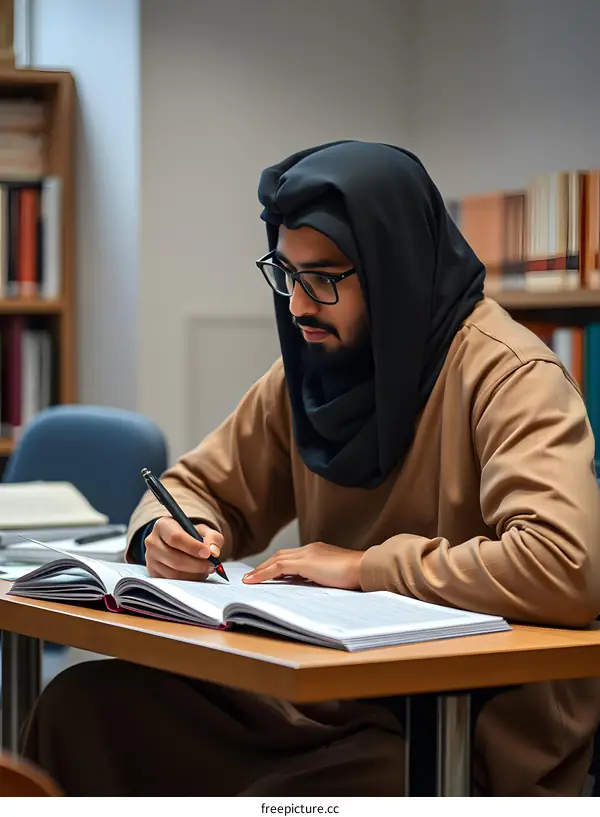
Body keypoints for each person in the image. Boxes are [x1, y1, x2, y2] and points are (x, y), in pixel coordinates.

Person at [22, 141, 600, 796]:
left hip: (460, 728)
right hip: (328, 700)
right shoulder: (308, 373)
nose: (297, 306)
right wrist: (171, 534)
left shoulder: (509, 373)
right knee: (85, 707)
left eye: (323, 278)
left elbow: (565, 563)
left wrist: (364, 567)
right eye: (286, 274)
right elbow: (193, 486)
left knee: (332, 790)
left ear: (394, 271)